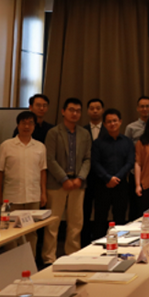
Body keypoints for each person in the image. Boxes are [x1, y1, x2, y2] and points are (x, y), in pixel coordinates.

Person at [43, 98, 92, 265]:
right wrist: (64, 178)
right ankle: (49, 258)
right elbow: (50, 159)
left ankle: (73, 256)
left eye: (78, 110)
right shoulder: (53, 133)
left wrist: (80, 178)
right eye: (71, 110)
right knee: (53, 224)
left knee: (76, 223)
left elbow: (87, 159)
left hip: (78, 184)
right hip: (57, 184)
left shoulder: (85, 134)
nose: (75, 113)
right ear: (63, 111)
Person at [0, 111, 47, 255]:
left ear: (34, 126)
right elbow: (0, 172)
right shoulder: (6, 145)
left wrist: (43, 193)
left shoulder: (40, 147)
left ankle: (30, 264)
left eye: (30, 123)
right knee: (10, 233)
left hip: (33, 196)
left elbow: (43, 171)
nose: (27, 126)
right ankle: (13, 263)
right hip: (11, 197)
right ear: (17, 125)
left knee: (31, 233)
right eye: (23, 123)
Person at [92, 109, 135, 239]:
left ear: (120, 121)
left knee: (120, 218)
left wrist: (117, 178)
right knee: (100, 217)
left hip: (121, 185)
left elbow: (130, 162)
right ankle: (97, 246)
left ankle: (120, 244)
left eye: (115, 121)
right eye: (109, 122)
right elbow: (95, 163)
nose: (112, 124)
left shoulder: (127, 142)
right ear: (104, 124)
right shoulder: (98, 143)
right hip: (102, 185)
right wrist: (108, 178)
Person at [81, 97, 104, 246]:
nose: (95, 111)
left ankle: (100, 241)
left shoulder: (110, 130)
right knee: (84, 212)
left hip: (103, 178)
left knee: (101, 213)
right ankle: (84, 243)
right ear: (88, 111)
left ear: (102, 110)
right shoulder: (81, 130)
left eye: (98, 108)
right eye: (92, 108)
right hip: (85, 178)